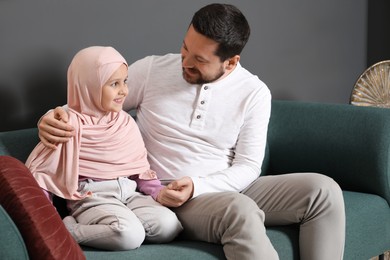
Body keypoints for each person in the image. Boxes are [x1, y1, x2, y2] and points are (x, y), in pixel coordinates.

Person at [37, 4, 345, 260]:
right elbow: (90, 103)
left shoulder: (254, 93)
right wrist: (52, 116)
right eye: (185, 48)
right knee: (240, 210)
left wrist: (198, 184)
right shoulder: (152, 70)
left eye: (199, 60)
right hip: (168, 193)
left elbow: (248, 167)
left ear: (231, 62)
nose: (185, 62)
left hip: (220, 184)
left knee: (323, 191)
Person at [26, 46, 183, 251]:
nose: (124, 91)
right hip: (93, 197)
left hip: (130, 193)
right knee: (129, 236)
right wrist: (48, 219)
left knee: (169, 226)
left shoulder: (125, 122)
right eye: (114, 84)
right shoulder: (67, 124)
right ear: (88, 86)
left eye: (125, 81)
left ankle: (123, 226)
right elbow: (45, 175)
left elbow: (139, 169)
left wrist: (159, 192)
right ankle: (69, 230)